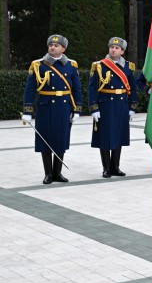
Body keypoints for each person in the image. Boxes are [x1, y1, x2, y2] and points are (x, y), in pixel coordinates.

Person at [22, 34, 82, 185]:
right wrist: (27, 111)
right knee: (46, 139)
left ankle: (58, 172)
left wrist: (77, 110)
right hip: (45, 106)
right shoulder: (39, 65)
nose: (52, 47)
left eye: (56, 45)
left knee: (60, 139)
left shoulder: (71, 65)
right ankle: (48, 173)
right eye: (50, 45)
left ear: (63, 48)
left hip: (63, 107)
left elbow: (77, 89)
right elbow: (29, 90)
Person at [89, 37, 138, 178]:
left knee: (119, 136)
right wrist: (94, 108)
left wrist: (132, 106)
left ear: (122, 51)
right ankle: (106, 168)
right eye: (111, 47)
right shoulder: (99, 65)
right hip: (104, 104)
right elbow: (92, 88)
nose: (113, 49)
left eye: (117, 48)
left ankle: (115, 166)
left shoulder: (128, 67)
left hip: (121, 104)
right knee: (104, 136)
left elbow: (132, 88)